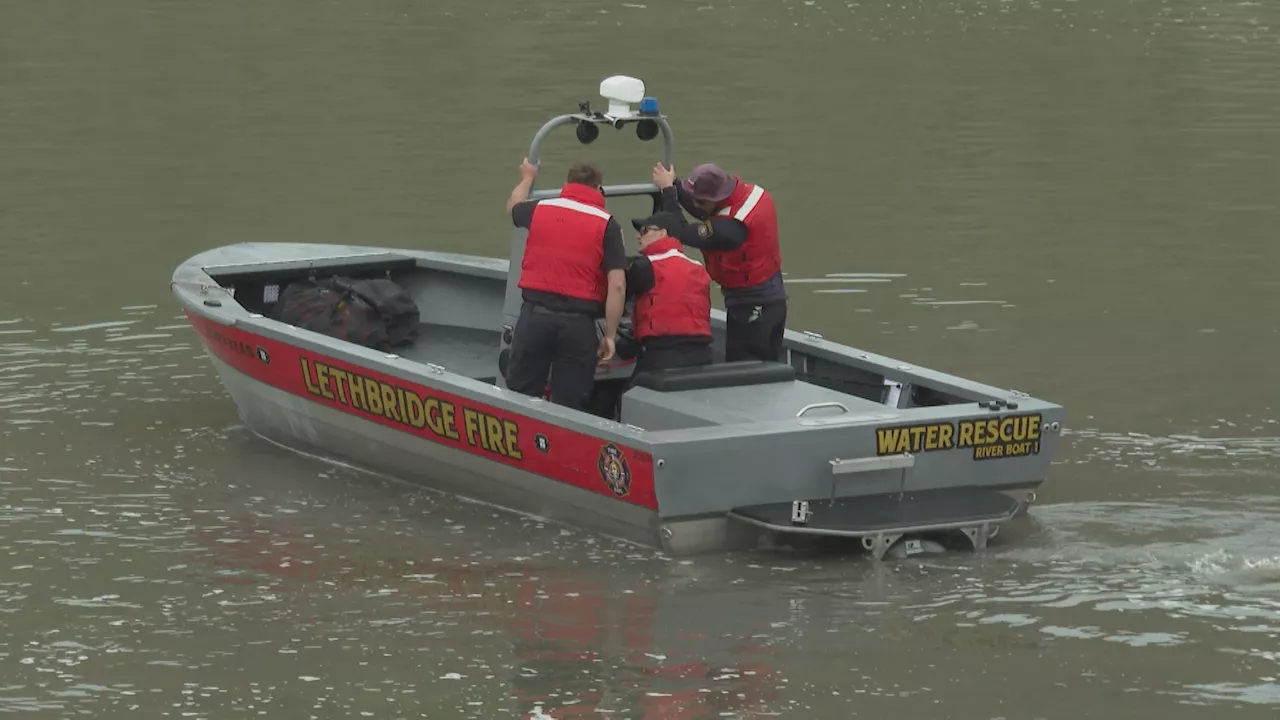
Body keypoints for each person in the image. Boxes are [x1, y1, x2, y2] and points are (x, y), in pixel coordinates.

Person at [504, 158, 627, 411]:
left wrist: (527, 177)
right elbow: (617, 285)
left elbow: (513, 206)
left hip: (534, 318)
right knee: (570, 405)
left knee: (520, 396)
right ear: (599, 188)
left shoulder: (540, 209)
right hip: (578, 326)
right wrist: (611, 336)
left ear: (566, 184)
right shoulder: (609, 225)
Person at [648, 162, 787, 364]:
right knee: (766, 364)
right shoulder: (751, 195)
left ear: (716, 197)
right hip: (770, 297)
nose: (695, 204)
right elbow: (707, 210)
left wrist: (668, 191)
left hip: (753, 305)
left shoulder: (731, 227)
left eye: (699, 201)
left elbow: (682, 232)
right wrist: (675, 184)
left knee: (745, 369)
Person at [624, 211, 715, 376]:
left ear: (662, 233)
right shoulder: (698, 267)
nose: (638, 237)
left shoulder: (645, 266)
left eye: (644, 231)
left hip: (662, 354)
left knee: (626, 395)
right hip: (702, 354)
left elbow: (617, 296)